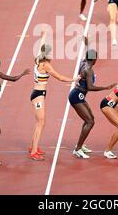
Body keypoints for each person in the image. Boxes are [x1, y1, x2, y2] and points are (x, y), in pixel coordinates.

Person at [29, 31, 78, 161]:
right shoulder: (46, 65)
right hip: (38, 95)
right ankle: (34, 151)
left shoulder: (38, 58)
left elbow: (41, 45)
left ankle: (32, 146)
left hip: (37, 94)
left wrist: (44, 35)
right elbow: (60, 77)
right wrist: (73, 79)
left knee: (39, 122)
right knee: (41, 122)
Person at [69, 37, 115, 159]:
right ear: (94, 59)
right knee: (90, 121)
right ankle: (77, 149)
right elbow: (90, 87)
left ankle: (80, 145)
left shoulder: (84, 61)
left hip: (79, 95)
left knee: (90, 120)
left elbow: (88, 52)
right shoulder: (88, 69)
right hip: (76, 96)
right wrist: (105, 87)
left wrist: (87, 43)